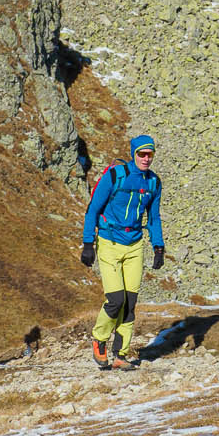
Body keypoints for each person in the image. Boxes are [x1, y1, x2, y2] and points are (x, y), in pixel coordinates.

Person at [81, 136, 165, 369]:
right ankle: (99, 339)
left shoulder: (154, 183)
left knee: (130, 302)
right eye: (142, 154)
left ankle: (121, 355)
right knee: (116, 299)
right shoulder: (115, 176)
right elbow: (93, 210)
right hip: (109, 242)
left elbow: (154, 217)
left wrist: (158, 246)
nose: (146, 159)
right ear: (133, 154)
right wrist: (88, 244)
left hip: (135, 245)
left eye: (150, 154)